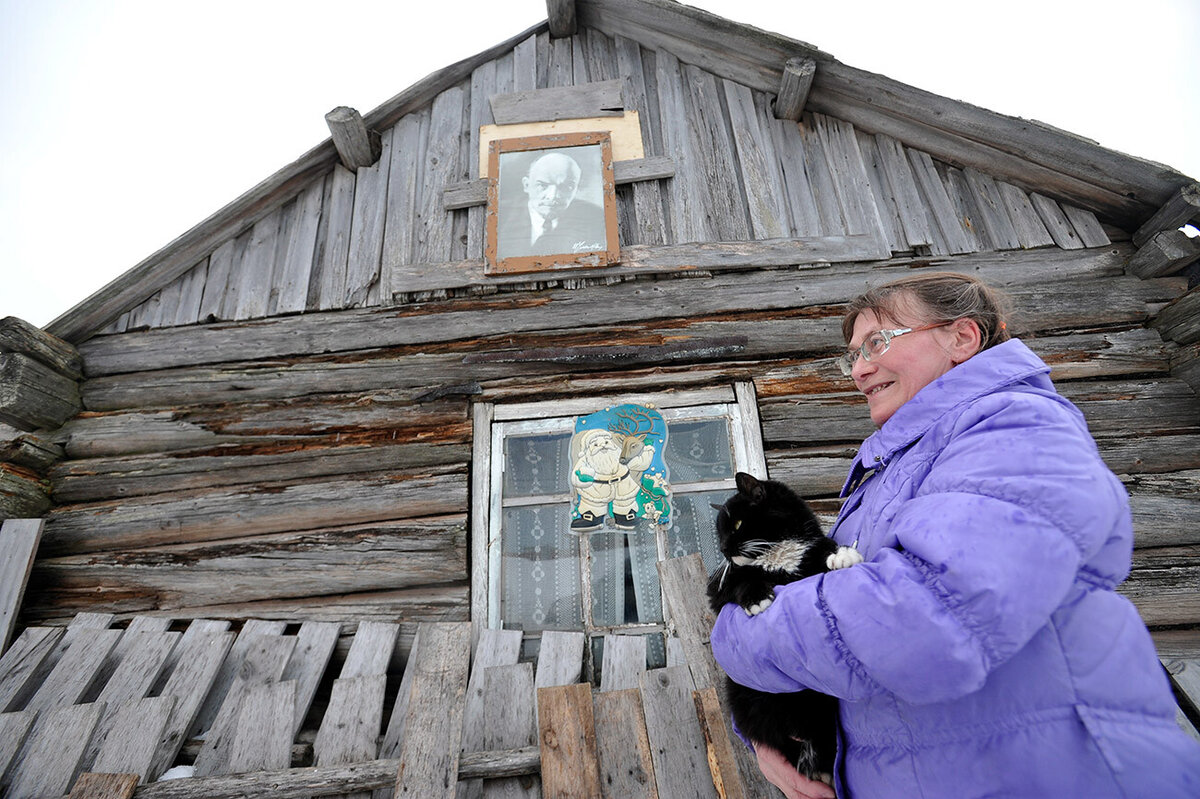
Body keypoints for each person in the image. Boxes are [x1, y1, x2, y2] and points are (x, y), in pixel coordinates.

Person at [710, 272, 1200, 798]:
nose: (859, 368)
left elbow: (924, 624)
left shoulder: (1015, 429)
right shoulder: (902, 463)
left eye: (877, 342)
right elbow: (841, 632)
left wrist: (732, 638)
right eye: (851, 355)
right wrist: (773, 735)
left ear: (963, 338)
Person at [497, 150, 605, 259]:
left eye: (567, 187)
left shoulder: (596, 220)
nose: (552, 196)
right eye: (542, 185)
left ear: (576, 189)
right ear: (526, 185)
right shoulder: (500, 217)